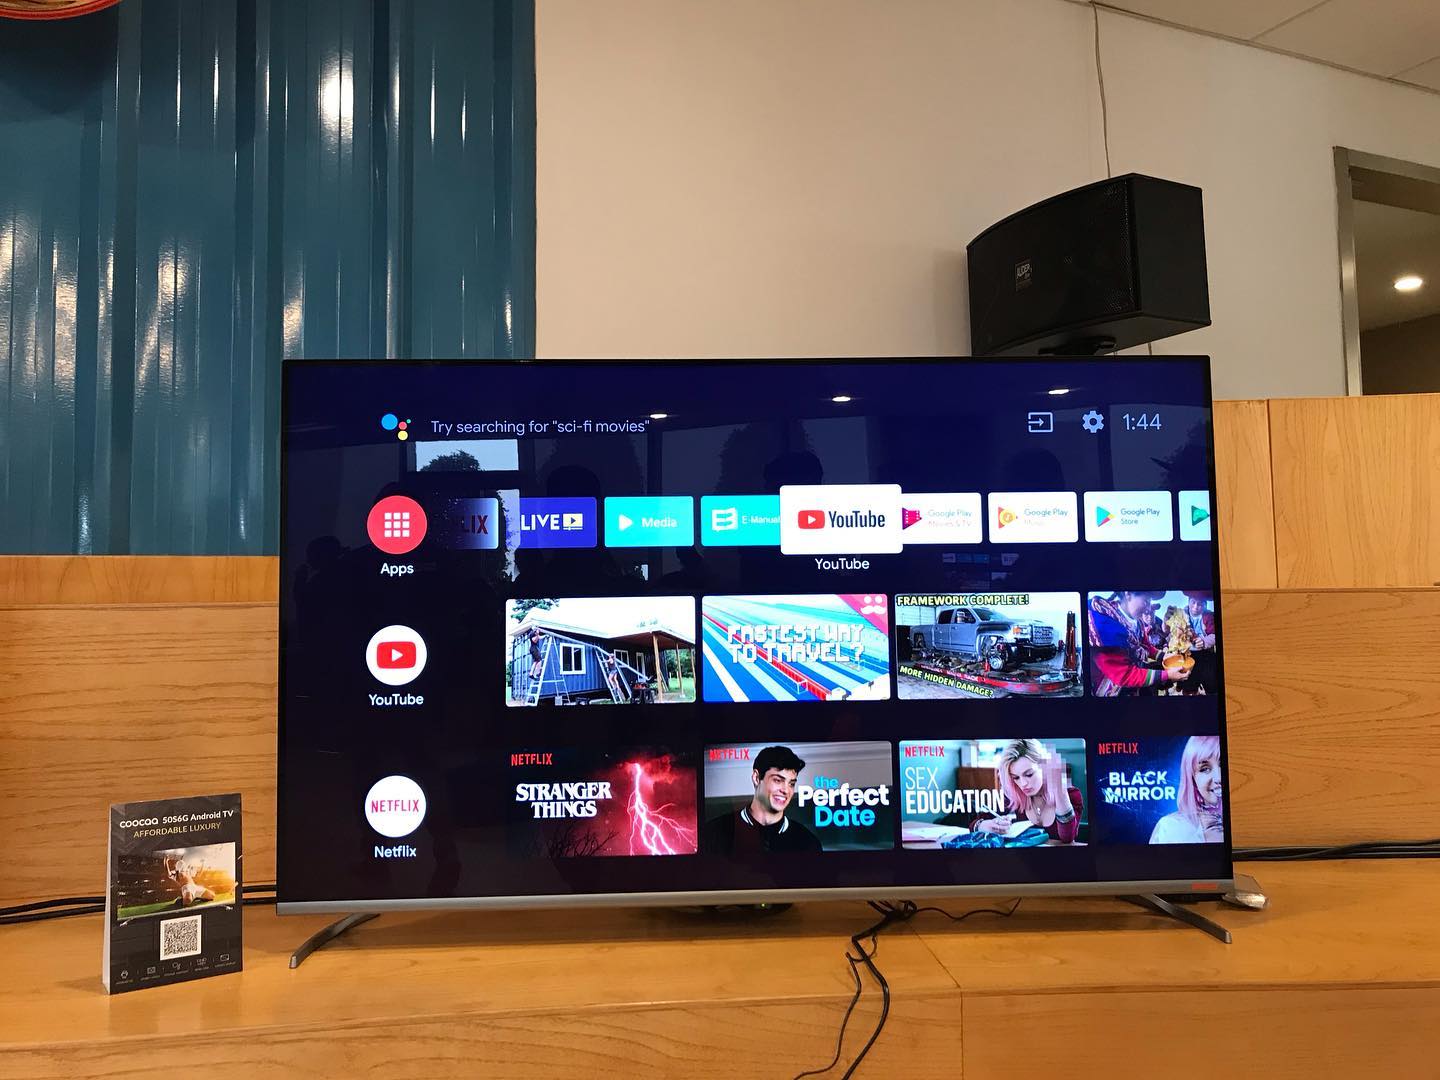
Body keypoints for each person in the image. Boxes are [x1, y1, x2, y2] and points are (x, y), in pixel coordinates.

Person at [954, 739, 1084, 844]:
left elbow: (1068, 837)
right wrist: (983, 825)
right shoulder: (1012, 796)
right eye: (1016, 777)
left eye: (1029, 774)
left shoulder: (1072, 795)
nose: (1023, 784)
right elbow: (973, 824)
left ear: (1045, 768)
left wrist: (1059, 789)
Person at [701, 745, 823, 854]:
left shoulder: (808, 843)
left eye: (791, 783)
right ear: (756, 778)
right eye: (778, 780)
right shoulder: (714, 832)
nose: (786, 790)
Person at [1088, 591, 1191, 696]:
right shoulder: (1104, 623)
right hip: (1115, 690)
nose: (1148, 609)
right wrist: (1167, 675)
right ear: (1128, 594)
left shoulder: (1138, 622)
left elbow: (1146, 646)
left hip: (1136, 679)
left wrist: (1164, 656)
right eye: (1146, 601)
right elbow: (1124, 675)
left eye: (1149, 602)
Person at [1150, 735, 1225, 844]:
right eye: (1205, 769)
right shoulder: (1170, 828)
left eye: (1223, 765)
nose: (1218, 778)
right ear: (1192, 778)